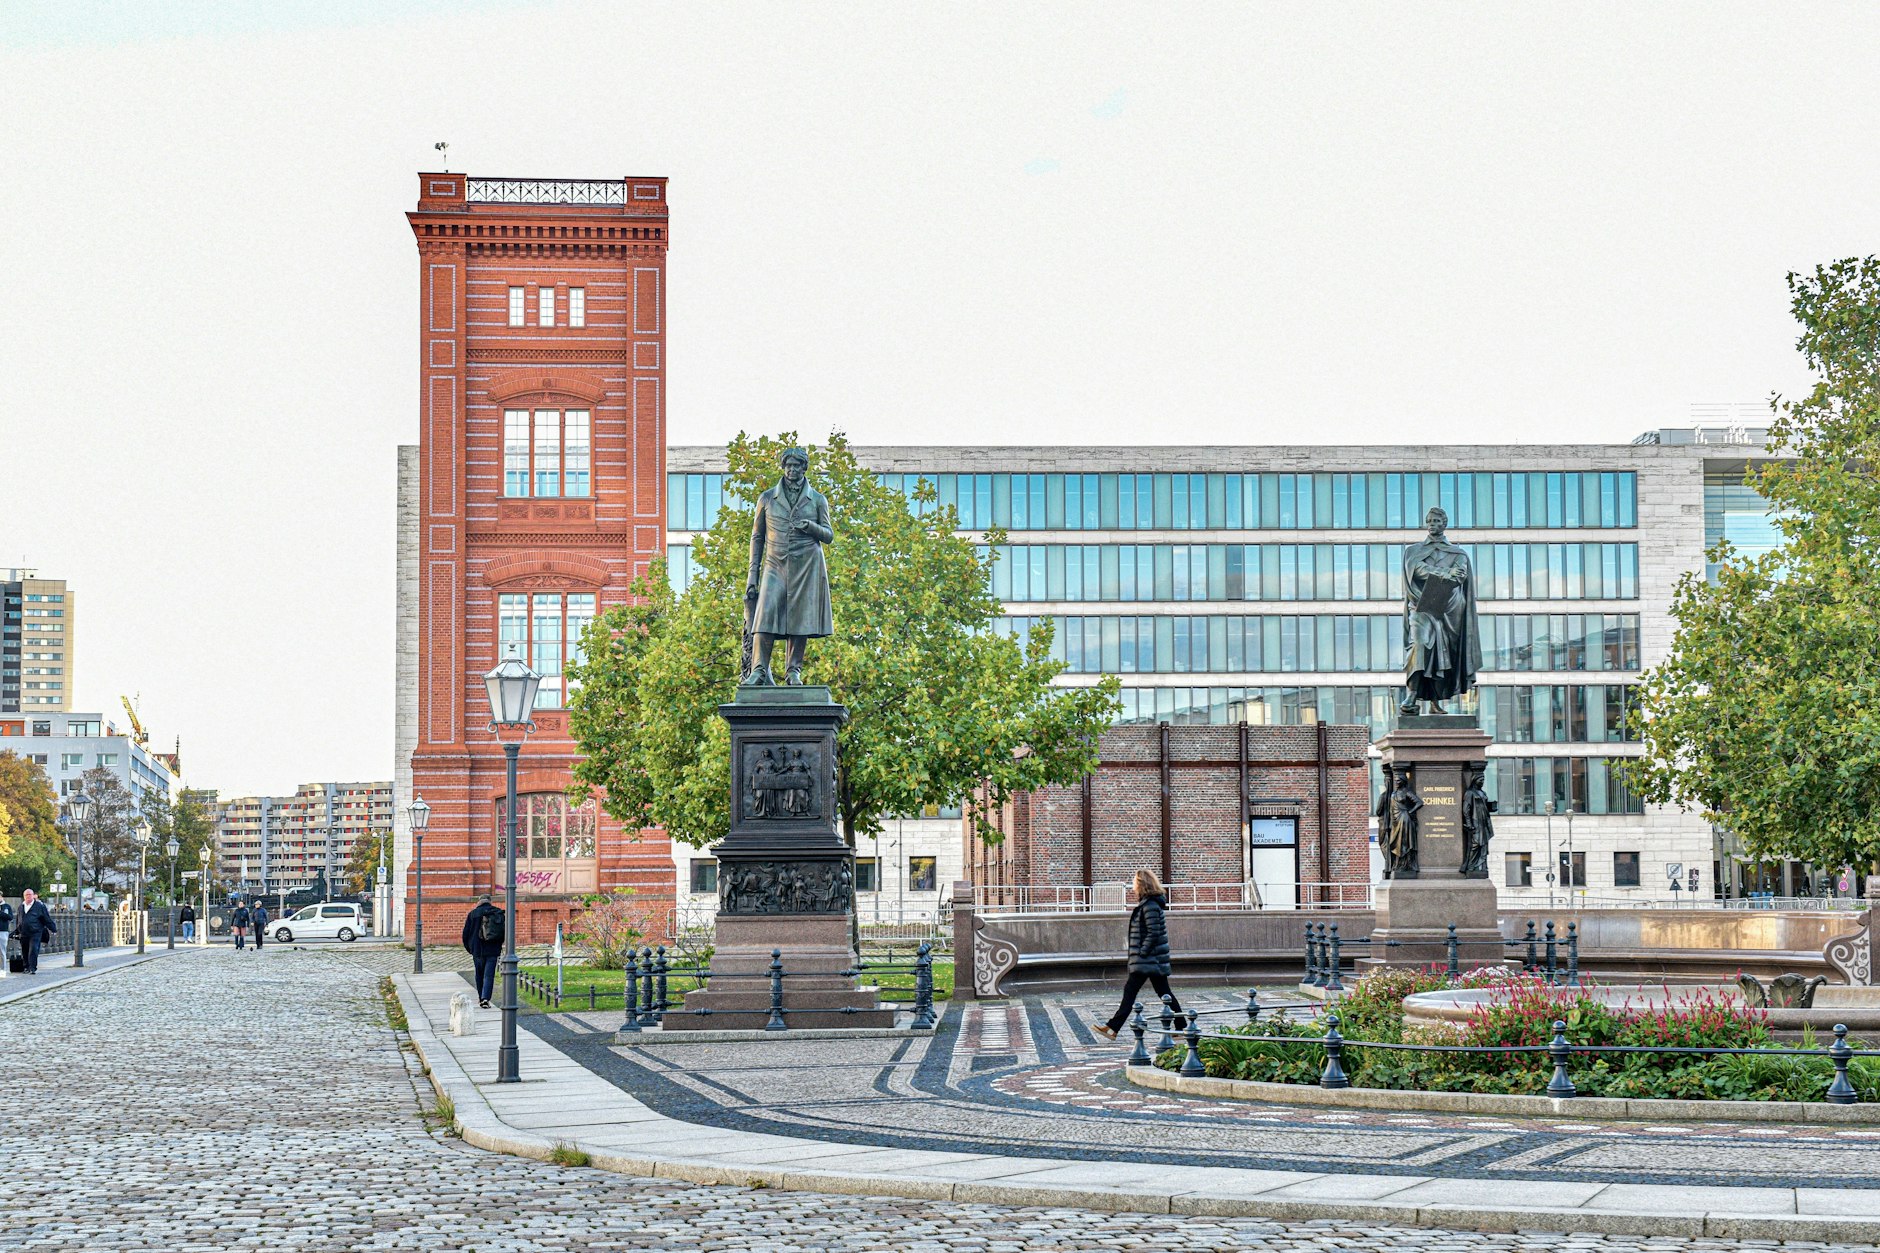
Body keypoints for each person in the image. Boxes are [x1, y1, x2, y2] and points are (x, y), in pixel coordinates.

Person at [1094, 870, 1185, 1040]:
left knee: (1132, 991)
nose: (1133, 887)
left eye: (1135, 883)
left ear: (1142, 884)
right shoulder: (1149, 904)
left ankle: (1113, 1028)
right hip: (1151, 960)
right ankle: (1182, 1026)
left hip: (1148, 960)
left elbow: (1153, 932)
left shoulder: (1150, 906)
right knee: (1164, 993)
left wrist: (1142, 952)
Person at [462, 894, 505, 1008]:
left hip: (477, 950)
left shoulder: (473, 914)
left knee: (479, 974)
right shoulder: (498, 913)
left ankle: (481, 997)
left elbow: (465, 934)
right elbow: (502, 933)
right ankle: (486, 998)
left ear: (479, 901)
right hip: (493, 949)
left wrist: (470, 948)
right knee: (489, 975)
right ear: (490, 901)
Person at [15, 889, 55, 976]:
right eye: (26, 895)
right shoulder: (21, 906)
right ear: (24, 896)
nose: (28, 896)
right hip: (24, 932)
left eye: (29, 895)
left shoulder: (39, 906)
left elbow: (46, 918)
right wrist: (17, 929)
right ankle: (26, 967)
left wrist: (53, 928)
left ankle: (32, 967)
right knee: (24, 950)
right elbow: (18, 919)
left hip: (35, 932)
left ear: (33, 895)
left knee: (33, 949)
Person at [0, 896, 13, 979]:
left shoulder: (6, 906)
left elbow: (10, 917)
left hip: (2, 931)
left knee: (2, 951)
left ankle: (2, 970)